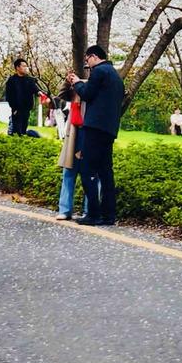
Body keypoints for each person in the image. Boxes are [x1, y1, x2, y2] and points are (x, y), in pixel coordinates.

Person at [67, 44, 125, 227]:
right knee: (106, 171)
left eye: (87, 60)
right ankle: (109, 215)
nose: (87, 64)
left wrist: (76, 82)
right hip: (109, 129)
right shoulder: (116, 75)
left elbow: (87, 94)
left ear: (93, 57)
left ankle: (93, 214)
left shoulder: (99, 71)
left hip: (94, 127)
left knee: (87, 169)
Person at [55, 86, 84, 220]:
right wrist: (68, 81)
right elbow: (62, 94)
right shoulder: (76, 88)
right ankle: (64, 209)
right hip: (74, 133)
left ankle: (89, 210)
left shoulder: (97, 85)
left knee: (91, 174)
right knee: (68, 171)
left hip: (90, 131)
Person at [3, 58, 44, 136]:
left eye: (26, 66)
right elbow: (9, 96)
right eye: (24, 66)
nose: (26, 68)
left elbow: (35, 88)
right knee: (16, 129)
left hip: (27, 108)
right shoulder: (11, 80)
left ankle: (23, 140)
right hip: (16, 109)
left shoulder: (29, 79)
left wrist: (39, 92)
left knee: (23, 128)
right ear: (17, 67)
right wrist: (13, 108)